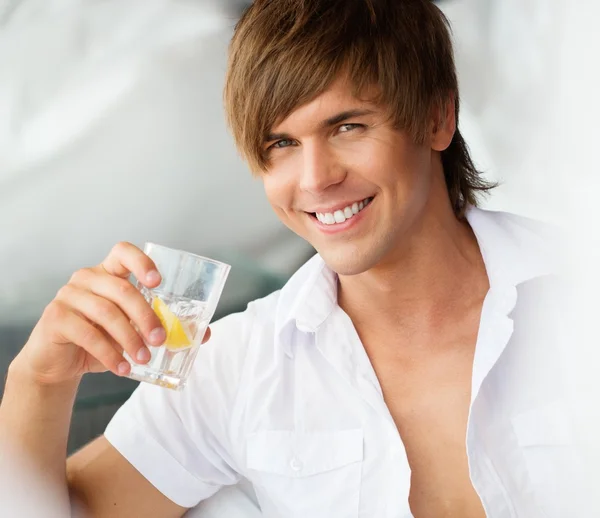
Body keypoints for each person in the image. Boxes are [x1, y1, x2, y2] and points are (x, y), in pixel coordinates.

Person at [0, 1, 585, 517]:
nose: (316, 179)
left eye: (348, 126)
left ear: (437, 117)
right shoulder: (235, 366)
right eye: (281, 144)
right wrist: (39, 379)